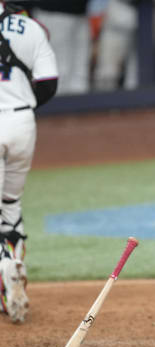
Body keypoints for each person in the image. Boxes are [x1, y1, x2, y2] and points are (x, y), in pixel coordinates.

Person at [0, 0, 58, 323]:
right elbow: (49, 84)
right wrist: (23, 104)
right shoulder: (32, 28)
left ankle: (5, 270)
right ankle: (13, 274)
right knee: (10, 204)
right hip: (22, 124)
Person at [32, 0, 90, 94]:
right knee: (59, 69)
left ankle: (80, 105)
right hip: (54, 12)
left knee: (80, 72)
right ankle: (56, 105)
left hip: (79, 12)